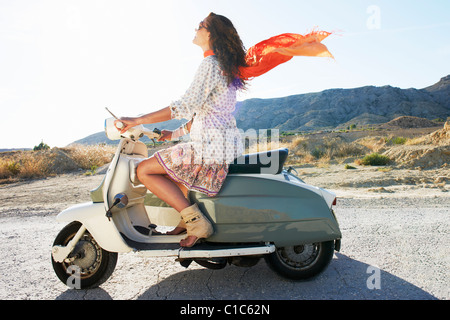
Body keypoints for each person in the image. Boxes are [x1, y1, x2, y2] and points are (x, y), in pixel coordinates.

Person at [116, 13, 246, 247]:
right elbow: (200, 114)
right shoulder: (226, 68)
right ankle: (186, 222)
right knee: (174, 172)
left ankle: (196, 222)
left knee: (144, 170)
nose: (195, 29)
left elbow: (186, 106)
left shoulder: (210, 64)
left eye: (200, 26)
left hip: (208, 149)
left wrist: (137, 119)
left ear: (210, 34)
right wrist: (172, 134)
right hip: (220, 148)